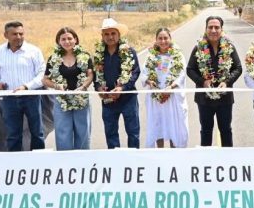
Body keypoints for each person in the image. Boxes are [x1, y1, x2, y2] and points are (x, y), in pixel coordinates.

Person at [187, 16, 243, 147]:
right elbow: (190, 69)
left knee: (226, 130)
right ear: (205, 29)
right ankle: (206, 158)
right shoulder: (198, 48)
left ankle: (227, 157)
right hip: (204, 99)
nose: (213, 30)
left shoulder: (229, 47)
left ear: (221, 29)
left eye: (216, 27)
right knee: (206, 131)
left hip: (225, 98)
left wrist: (227, 82)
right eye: (210, 27)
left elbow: (238, 68)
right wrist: (202, 82)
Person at [0, 21, 46, 151]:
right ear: (6, 35)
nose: (19, 37)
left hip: (31, 96)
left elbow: (42, 74)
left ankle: (39, 159)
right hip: (9, 98)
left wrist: (26, 87)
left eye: (21, 33)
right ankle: (15, 160)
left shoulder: (34, 51)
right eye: (14, 34)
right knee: (13, 134)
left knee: (37, 133)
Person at [42, 27, 94, 151]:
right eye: (63, 39)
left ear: (75, 39)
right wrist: (56, 86)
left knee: (83, 131)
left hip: (81, 99)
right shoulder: (53, 58)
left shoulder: (85, 56)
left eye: (70, 38)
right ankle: (65, 159)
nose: (67, 41)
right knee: (62, 133)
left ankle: (82, 158)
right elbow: (45, 79)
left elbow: (90, 75)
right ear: (58, 41)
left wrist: (83, 86)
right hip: (61, 101)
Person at [94, 18, 141, 149]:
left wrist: (122, 88)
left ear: (119, 34)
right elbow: (96, 76)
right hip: (108, 100)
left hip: (128, 99)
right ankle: (115, 158)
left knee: (133, 132)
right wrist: (99, 88)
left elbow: (135, 72)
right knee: (111, 133)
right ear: (102, 36)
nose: (110, 37)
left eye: (113, 33)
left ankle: (133, 158)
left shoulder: (129, 51)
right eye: (106, 34)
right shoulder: (98, 54)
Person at [140, 28, 189, 148]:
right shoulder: (151, 56)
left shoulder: (177, 55)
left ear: (170, 39)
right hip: (156, 97)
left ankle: (173, 152)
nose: (163, 41)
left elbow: (182, 74)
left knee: (173, 125)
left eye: (165, 38)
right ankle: (160, 152)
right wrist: (149, 81)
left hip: (172, 96)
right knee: (158, 124)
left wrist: (171, 87)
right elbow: (144, 73)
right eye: (160, 38)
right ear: (156, 40)